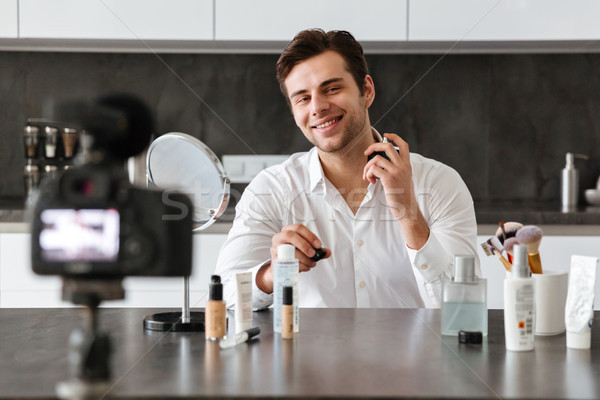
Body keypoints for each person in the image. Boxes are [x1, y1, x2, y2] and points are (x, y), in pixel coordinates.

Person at [214, 29, 478, 309]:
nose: (317, 107)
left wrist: (409, 214)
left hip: (414, 354)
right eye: (303, 98)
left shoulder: (440, 183)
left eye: (331, 89)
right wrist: (271, 273)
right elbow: (225, 294)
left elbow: (463, 307)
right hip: (309, 354)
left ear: (366, 91)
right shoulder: (272, 189)